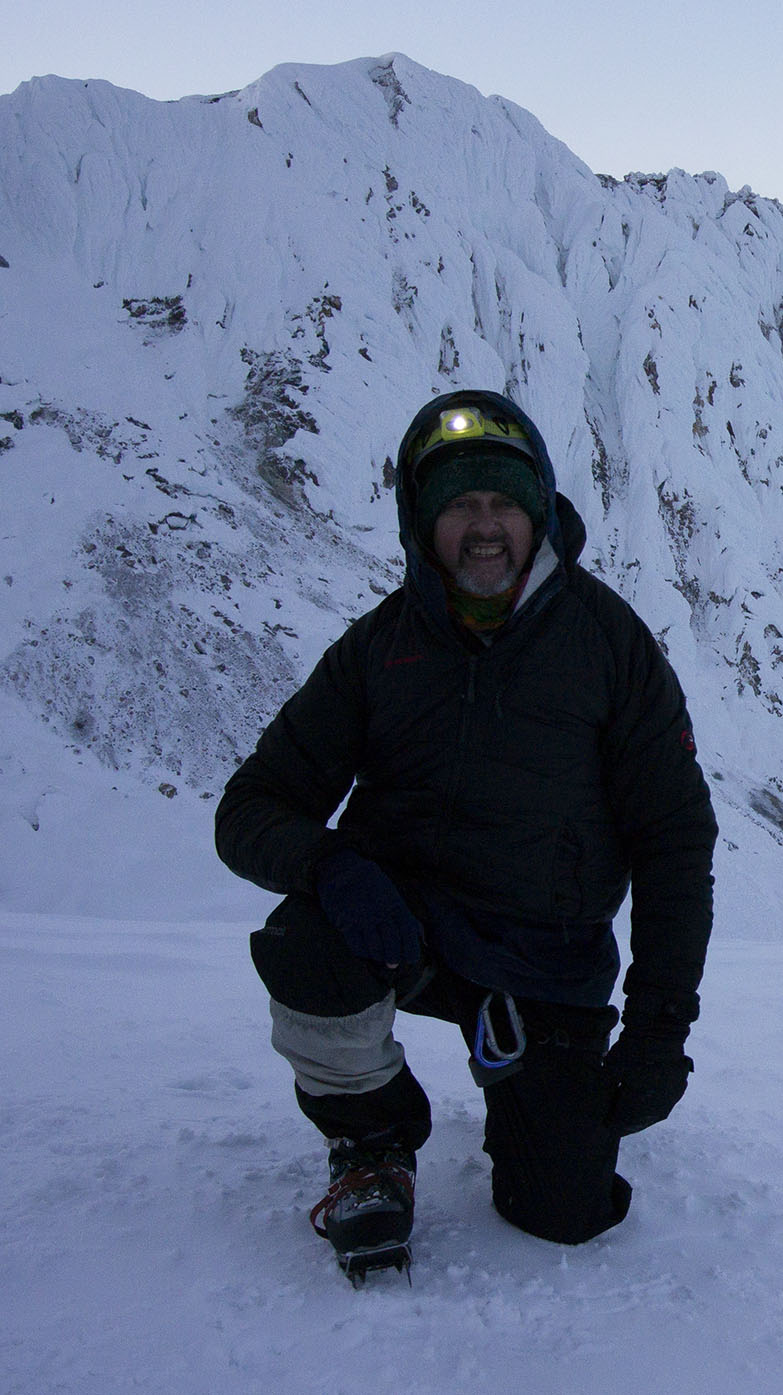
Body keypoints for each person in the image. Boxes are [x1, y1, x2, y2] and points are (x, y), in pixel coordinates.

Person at [216, 389, 716, 1276]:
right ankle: (371, 1140)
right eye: (457, 505)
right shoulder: (379, 650)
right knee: (306, 939)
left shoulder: (608, 645)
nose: (483, 527)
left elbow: (674, 840)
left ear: (538, 514)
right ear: (421, 522)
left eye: (502, 503)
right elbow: (252, 806)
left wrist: (658, 1027)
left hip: (545, 957)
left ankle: (529, 1087)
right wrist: (331, 863)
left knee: (563, 1211)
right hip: (398, 931)